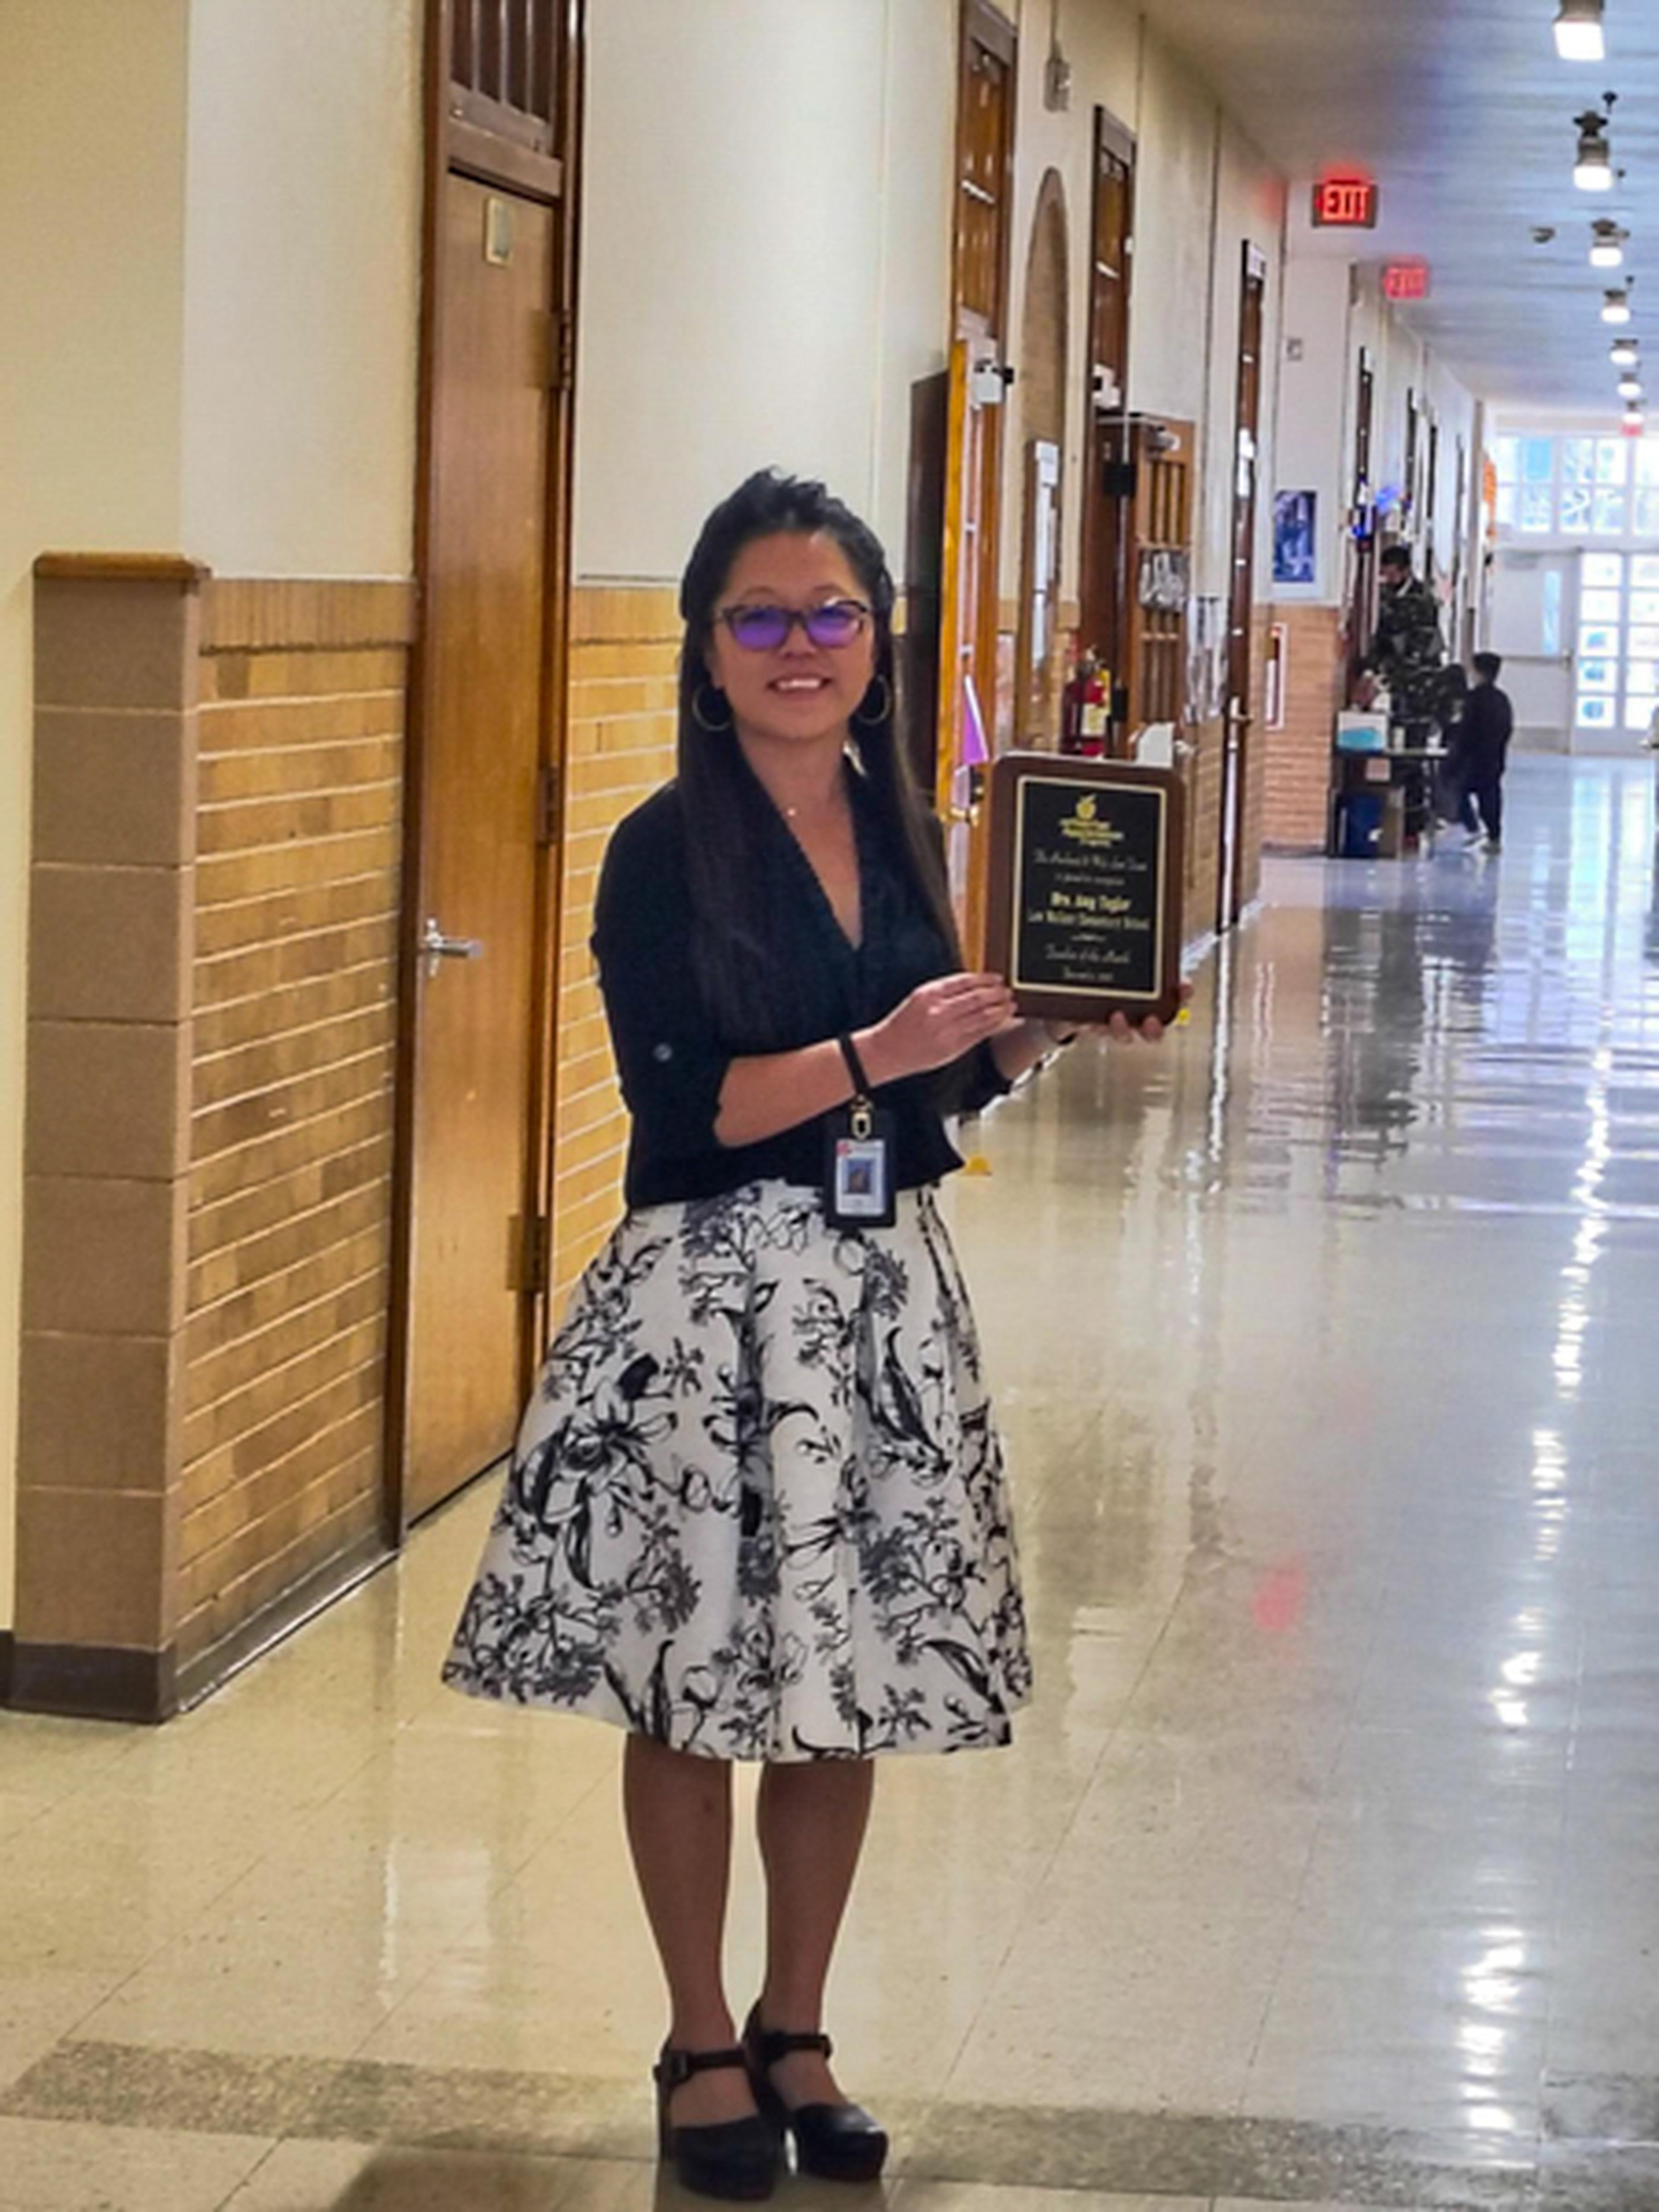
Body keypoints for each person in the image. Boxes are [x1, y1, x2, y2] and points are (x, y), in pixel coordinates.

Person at [443, 469, 1177, 2202]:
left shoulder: (906, 822)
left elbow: (943, 1075)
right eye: (759, 617)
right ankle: (699, 2030)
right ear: (708, 650)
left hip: (875, 1295)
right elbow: (685, 1098)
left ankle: (800, 2021)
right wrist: (878, 1046)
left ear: (875, 642)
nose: (799, 646)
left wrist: (1041, 1023)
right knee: (700, 1682)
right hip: (706, 1302)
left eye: (832, 614)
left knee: (840, 1686)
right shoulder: (654, 847)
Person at [1459, 650, 1514, 852]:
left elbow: (1465, 730)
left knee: (1454, 789)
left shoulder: (1473, 699)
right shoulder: (1502, 700)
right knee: (1490, 796)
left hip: (1472, 759)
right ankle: (1494, 836)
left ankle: (1473, 827)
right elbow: (1507, 729)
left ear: (1478, 672)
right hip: (1494, 758)